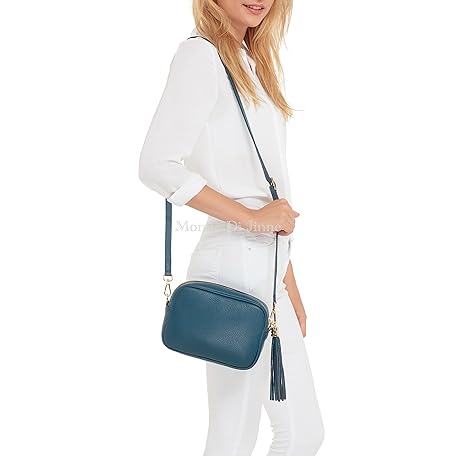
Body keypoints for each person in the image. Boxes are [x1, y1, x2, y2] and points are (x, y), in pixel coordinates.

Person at [138, 1, 325, 455]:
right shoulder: (200, 56)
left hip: (267, 269)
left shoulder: (251, 61)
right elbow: (156, 165)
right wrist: (254, 220)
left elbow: (266, 186)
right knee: (234, 437)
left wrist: (288, 281)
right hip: (234, 264)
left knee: (302, 433)